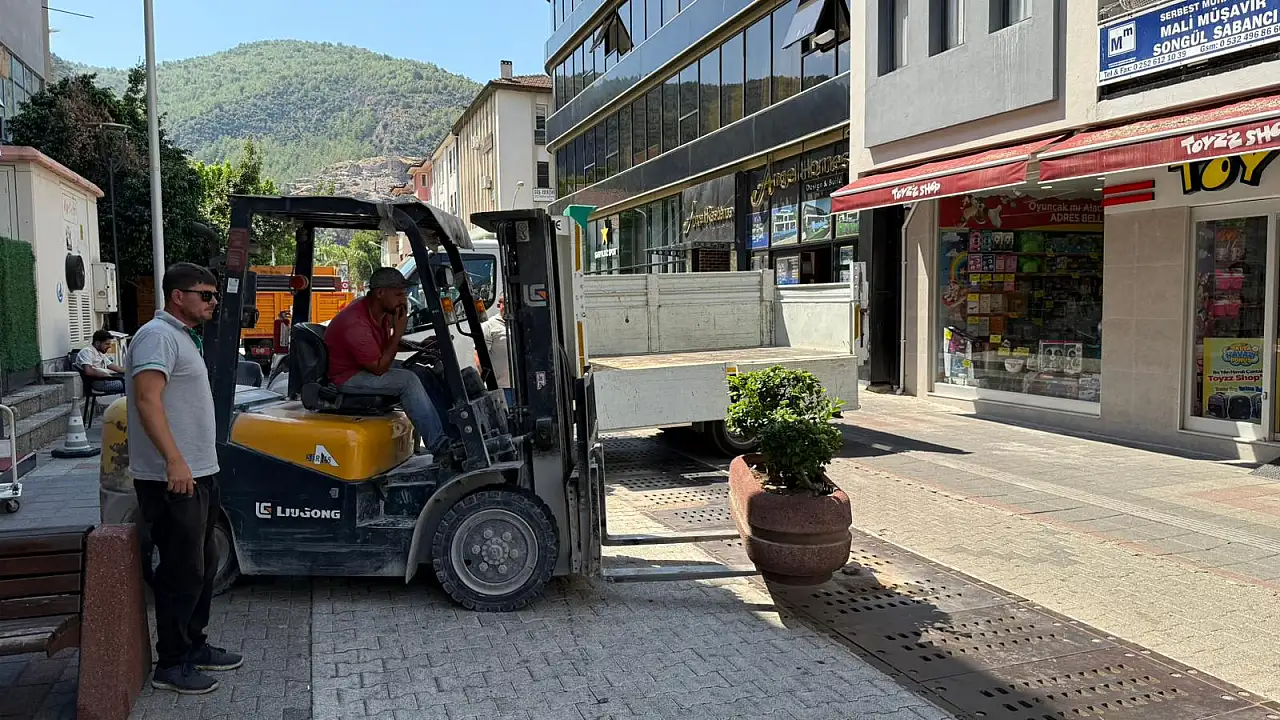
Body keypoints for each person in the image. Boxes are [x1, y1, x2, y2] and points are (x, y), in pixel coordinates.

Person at [126, 262, 242, 695]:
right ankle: (171, 664)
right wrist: (174, 461)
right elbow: (147, 399)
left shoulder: (183, 337)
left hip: (198, 472)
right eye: (205, 295)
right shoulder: (156, 336)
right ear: (178, 296)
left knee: (204, 565)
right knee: (181, 570)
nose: (213, 303)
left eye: (215, 296)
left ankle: (194, 645)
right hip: (172, 478)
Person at [325, 267, 449, 457]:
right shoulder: (355, 323)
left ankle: (451, 432)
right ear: (380, 293)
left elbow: (386, 344)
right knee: (408, 381)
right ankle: (440, 446)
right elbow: (380, 367)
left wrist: (420, 347)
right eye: (398, 294)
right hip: (347, 377)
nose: (403, 300)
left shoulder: (378, 311)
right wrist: (399, 330)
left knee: (421, 372)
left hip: (364, 366)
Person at [478, 295, 512, 406]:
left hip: (521, 385)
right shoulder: (489, 326)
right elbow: (479, 355)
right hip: (500, 387)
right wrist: (486, 382)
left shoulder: (519, 323)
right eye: (502, 303)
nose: (505, 307)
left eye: (508, 303)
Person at [75, 329, 126, 395]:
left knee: (131, 380)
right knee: (131, 384)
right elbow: (88, 371)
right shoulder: (87, 352)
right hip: (98, 383)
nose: (109, 346)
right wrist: (104, 374)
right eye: (107, 344)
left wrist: (130, 371)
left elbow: (114, 367)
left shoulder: (100, 353)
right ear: (97, 343)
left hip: (105, 380)